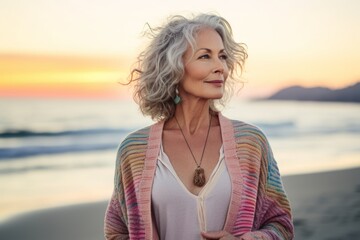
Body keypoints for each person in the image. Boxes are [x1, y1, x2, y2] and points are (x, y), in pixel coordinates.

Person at [104, 13, 294, 240]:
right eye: (205, 56)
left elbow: (281, 225)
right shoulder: (134, 151)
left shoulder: (251, 142)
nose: (220, 67)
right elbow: (116, 231)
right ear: (174, 67)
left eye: (222, 57)